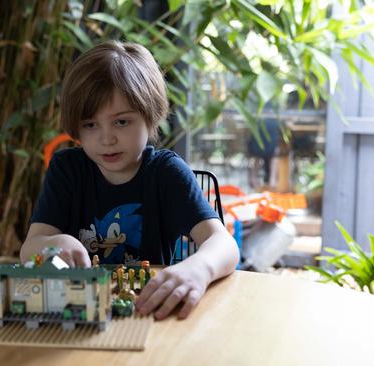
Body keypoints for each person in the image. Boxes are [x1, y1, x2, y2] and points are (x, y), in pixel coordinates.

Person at [20, 41, 239, 320]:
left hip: (146, 310)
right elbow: (29, 249)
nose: (107, 138)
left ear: (151, 116)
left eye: (121, 122)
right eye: (90, 125)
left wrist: (199, 268)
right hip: (78, 311)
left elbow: (224, 244)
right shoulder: (67, 170)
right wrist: (53, 244)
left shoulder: (166, 172)